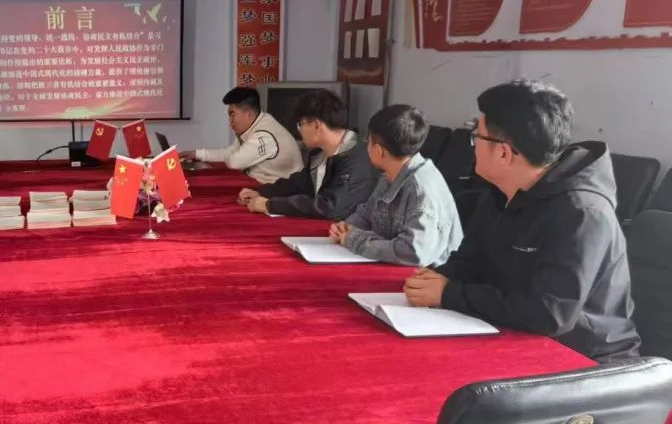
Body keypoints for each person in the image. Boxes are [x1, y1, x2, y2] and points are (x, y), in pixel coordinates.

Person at [403, 80, 641, 361]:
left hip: (583, 358)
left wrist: (449, 294)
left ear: (503, 153)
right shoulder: (499, 193)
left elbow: (550, 314)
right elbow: (472, 260)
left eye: (476, 137)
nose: (473, 147)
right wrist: (439, 277)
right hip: (513, 335)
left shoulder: (583, 213)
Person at [329, 104, 462, 266]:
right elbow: (368, 213)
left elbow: (412, 252)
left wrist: (354, 239)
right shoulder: (390, 174)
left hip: (427, 275)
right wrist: (346, 228)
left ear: (379, 150)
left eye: (368, 141)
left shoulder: (420, 189)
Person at [239, 88, 376, 219]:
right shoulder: (321, 155)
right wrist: (261, 192)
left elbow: (330, 207)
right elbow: (299, 183)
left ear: (316, 125)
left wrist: (270, 205)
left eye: (301, 124)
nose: (299, 130)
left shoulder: (357, 158)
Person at [179, 86, 302, 183]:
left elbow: (234, 162)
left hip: (284, 194)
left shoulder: (264, 135)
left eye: (232, 115)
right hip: (266, 185)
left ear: (248, 114)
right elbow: (230, 153)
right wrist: (197, 154)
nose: (230, 122)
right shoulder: (255, 126)